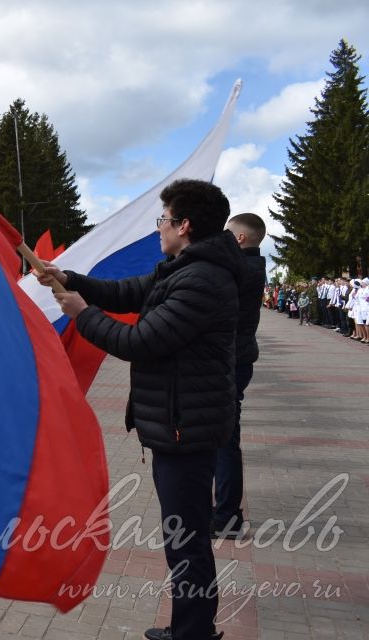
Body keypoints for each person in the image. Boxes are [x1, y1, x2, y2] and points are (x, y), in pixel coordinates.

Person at [37, 179, 243, 640]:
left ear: (184, 225)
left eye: (163, 220)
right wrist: (70, 280)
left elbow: (139, 342)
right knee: (184, 537)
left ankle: (192, 633)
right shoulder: (184, 267)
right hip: (178, 423)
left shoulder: (202, 280)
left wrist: (80, 314)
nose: (159, 229)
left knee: (186, 542)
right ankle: (192, 628)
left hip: (185, 429)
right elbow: (129, 292)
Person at [212, 212, 266, 540]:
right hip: (236, 360)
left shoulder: (243, 269)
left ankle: (228, 517)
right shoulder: (248, 266)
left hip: (231, 362)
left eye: (227, 233)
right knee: (224, 438)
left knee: (225, 440)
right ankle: (225, 512)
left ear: (240, 239)